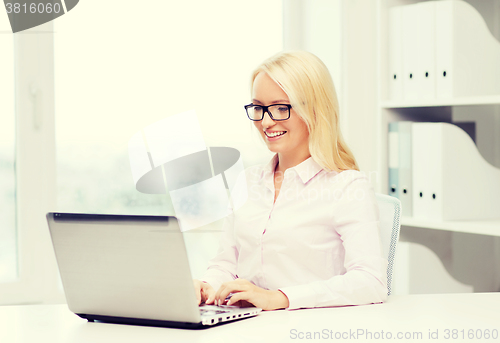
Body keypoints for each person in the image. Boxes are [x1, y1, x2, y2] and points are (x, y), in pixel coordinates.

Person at [193, 51, 387, 311]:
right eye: (259, 108)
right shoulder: (247, 182)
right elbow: (227, 263)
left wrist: (280, 298)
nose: (266, 121)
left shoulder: (347, 186)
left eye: (281, 108)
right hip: (247, 326)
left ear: (315, 110)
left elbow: (371, 281)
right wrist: (208, 285)